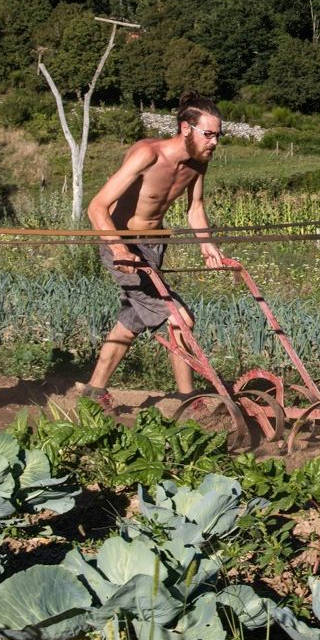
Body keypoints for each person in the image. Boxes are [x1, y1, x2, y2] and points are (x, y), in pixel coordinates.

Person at [74, 93, 237, 413]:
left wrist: (208, 245)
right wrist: (119, 247)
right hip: (121, 245)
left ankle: (94, 391)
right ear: (186, 128)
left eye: (218, 135)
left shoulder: (199, 162)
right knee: (180, 319)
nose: (214, 142)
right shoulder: (147, 154)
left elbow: (196, 208)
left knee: (131, 321)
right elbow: (97, 207)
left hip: (152, 248)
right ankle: (189, 403)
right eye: (209, 134)